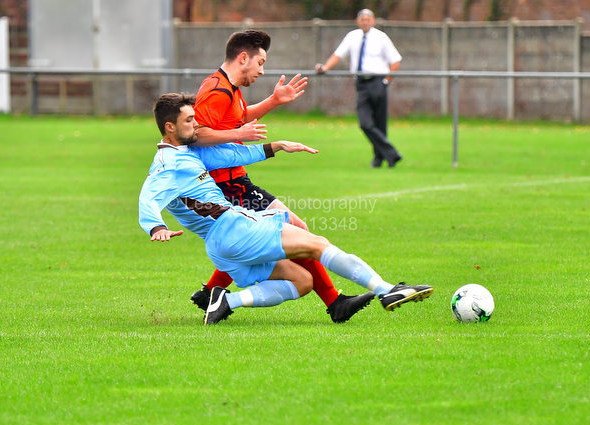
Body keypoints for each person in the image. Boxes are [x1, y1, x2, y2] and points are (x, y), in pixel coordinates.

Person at [138, 93, 434, 325]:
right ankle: (386, 290)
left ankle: (226, 301)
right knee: (316, 244)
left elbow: (230, 155)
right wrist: (156, 226)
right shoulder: (168, 164)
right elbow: (148, 196)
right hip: (233, 229)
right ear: (170, 127)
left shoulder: (187, 153)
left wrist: (276, 146)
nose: (197, 125)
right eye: (190, 120)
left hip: (221, 246)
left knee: (302, 281)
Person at [189, 29, 375, 323]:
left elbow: (238, 118)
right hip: (224, 186)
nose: (262, 71)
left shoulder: (229, 89)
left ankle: (211, 292)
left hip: (235, 181)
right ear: (243, 58)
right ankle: (335, 303)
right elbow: (196, 135)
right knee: (295, 229)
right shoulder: (217, 90)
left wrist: (274, 100)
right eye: (260, 62)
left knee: (261, 238)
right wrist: (238, 135)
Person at [315, 9, 403, 168]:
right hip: (361, 83)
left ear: (373, 21)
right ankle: (392, 153)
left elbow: (395, 62)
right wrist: (325, 67)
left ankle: (379, 159)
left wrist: (385, 82)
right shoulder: (352, 36)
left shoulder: (381, 37)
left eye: (368, 19)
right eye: (362, 19)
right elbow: (338, 54)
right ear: (357, 21)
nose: (365, 22)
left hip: (378, 81)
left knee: (380, 123)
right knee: (365, 123)